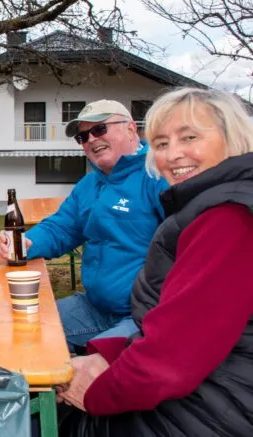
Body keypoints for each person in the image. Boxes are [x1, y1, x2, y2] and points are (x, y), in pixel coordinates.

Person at [57, 87, 253, 436]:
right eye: (161, 143)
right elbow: (62, 226)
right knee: (32, 332)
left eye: (189, 137)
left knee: (50, 415)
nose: (173, 154)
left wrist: (95, 392)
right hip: (140, 332)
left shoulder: (228, 218)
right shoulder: (203, 204)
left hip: (216, 406)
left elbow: (173, 358)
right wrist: (23, 244)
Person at [0, 100, 169, 350]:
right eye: (83, 136)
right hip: (94, 307)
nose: (91, 139)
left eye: (99, 129)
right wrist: (25, 243)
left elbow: (189, 248)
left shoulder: (158, 176)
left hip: (144, 314)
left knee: (92, 362)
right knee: (17, 329)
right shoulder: (89, 185)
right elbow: (62, 227)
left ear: (131, 129)